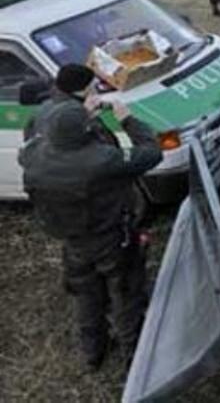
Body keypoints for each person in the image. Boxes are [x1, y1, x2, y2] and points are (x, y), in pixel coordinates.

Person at [19, 93, 162, 369]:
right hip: (111, 239)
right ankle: (136, 359)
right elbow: (151, 153)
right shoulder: (102, 159)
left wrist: (76, 116)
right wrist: (127, 119)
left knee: (87, 296)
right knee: (125, 294)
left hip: (72, 241)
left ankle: (92, 353)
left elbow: (34, 140)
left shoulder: (33, 157)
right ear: (86, 131)